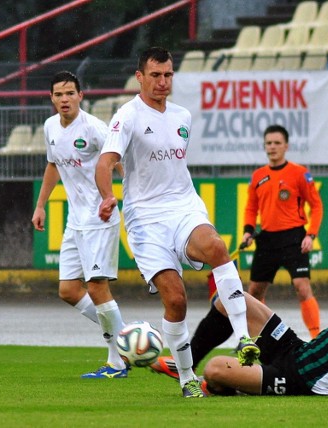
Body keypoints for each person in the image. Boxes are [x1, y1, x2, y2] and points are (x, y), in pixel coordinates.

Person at [94, 47, 258, 398]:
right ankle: (187, 379)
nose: (162, 82)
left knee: (216, 247)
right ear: (140, 77)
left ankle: (244, 336)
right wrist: (108, 196)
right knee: (176, 301)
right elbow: (105, 162)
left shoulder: (183, 116)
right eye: (155, 75)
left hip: (184, 206)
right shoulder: (127, 116)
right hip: (145, 220)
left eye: (168, 75)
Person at [201, 258, 328, 397]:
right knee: (235, 298)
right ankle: (187, 367)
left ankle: (234, 387)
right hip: (296, 350)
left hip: (299, 381)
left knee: (215, 368)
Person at [32, 71, 127, 379]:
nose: (65, 99)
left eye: (70, 93)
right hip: (75, 222)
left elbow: (119, 162)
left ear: (81, 96)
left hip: (100, 219)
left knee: (97, 287)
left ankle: (118, 362)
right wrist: (40, 205)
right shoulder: (49, 127)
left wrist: (116, 196)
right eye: (59, 94)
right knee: (69, 290)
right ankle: (128, 337)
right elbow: (53, 165)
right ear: (51, 98)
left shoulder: (95, 129)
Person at [241, 124, 324, 338]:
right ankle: (258, 339)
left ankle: (316, 338)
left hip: (294, 238)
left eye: (277, 143)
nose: (272, 147)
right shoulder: (258, 175)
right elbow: (251, 207)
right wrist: (248, 231)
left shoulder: (299, 173)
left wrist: (311, 235)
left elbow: (316, 206)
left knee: (301, 286)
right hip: (267, 240)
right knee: (254, 292)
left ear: (286, 146)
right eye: (269, 143)